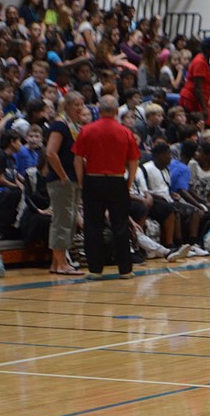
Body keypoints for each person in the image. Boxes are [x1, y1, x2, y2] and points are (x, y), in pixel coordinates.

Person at [73, 94, 141, 280]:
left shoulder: (87, 130)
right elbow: (134, 160)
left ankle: (95, 270)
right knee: (120, 225)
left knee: (93, 226)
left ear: (99, 110)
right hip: (117, 181)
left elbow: (78, 159)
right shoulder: (125, 132)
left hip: (93, 181)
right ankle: (125, 270)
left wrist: (81, 182)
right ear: (117, 111)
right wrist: (128, 182)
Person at [45, 91, 86, 275]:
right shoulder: (60, 125)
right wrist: (63, 177)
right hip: (62, 181)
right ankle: (61, 263)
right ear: (67, 106)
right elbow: (50, 152)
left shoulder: (73, 125)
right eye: (76, 105)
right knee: (62, 220)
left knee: (69, 220)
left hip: (72, 180)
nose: (80, 109)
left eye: (82, 105)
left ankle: (57, 263)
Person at [179, 37, 210, 126]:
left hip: (199, 99)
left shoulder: (205, 61)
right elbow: (198, 88)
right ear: (208, 49)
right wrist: (204, 108)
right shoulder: (199, 62)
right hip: (192, 99)